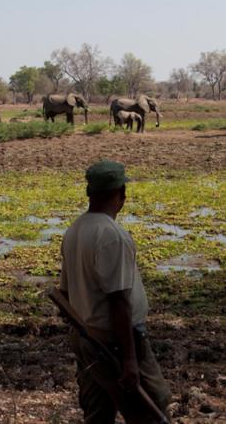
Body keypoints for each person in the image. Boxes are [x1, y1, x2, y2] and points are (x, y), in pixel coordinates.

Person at [60, 160, 171, 424]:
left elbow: (64, 293)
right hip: (114, 342)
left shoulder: (76, 230)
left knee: (98, 412)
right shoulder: (112, 236)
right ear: (121, 193)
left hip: (87, 337)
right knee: (152, 407)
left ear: (90, 193)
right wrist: (130, 359)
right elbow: (119, 301)